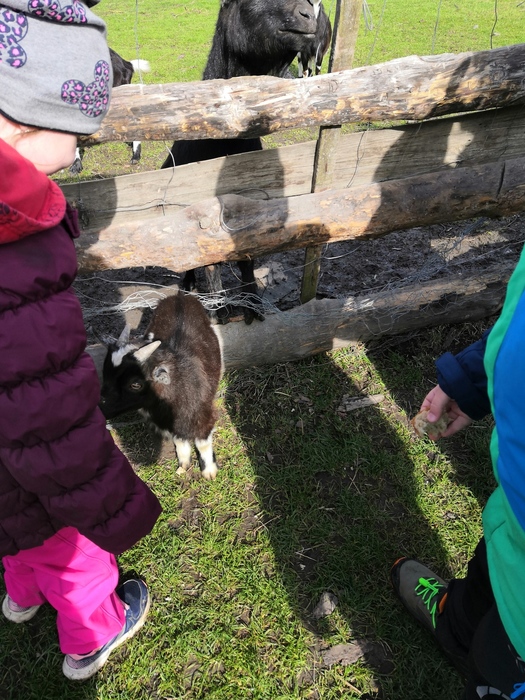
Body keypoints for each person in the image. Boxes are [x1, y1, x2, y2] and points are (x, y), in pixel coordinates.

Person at [0, 0, 162, 681]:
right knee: (74, 549)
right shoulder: (17, 246)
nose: (79, 150)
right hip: (39, 465)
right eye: (76, 134)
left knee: (13, 528)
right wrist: (108, 502)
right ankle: (92, 636)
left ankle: (20, 596)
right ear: (22, 120)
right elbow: (48, 415)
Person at [391, 259, 525, 697]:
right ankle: (456, 623)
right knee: (492, 566)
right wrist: (473, 378)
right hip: (514, 511)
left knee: (500, 661)